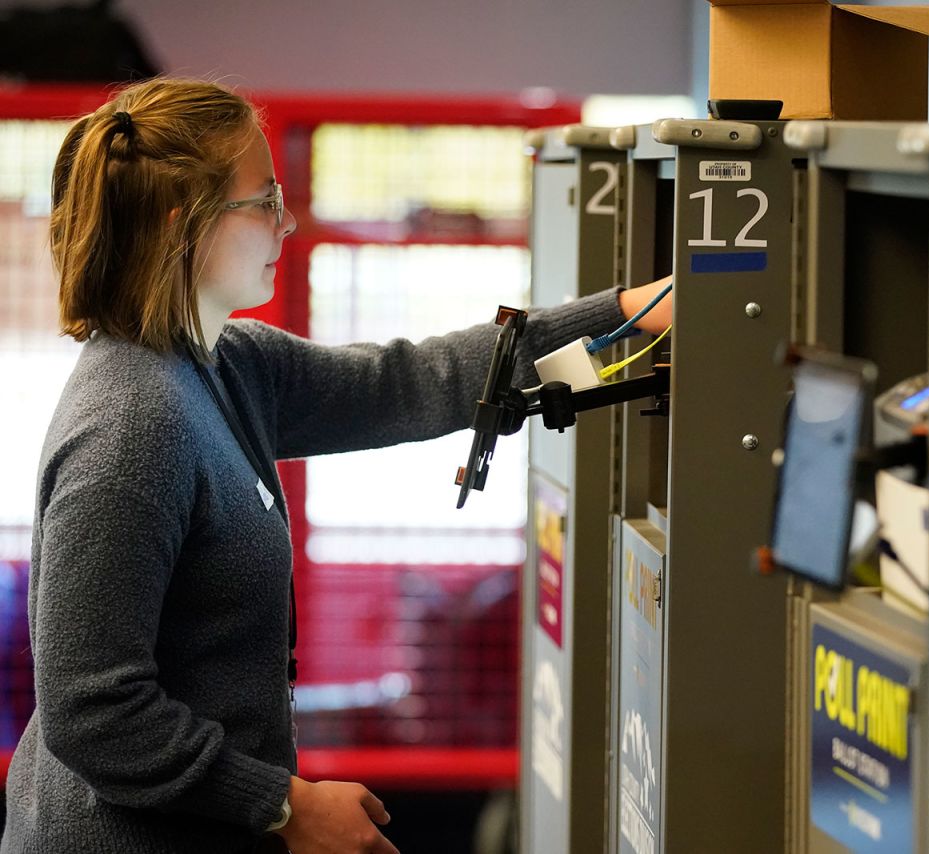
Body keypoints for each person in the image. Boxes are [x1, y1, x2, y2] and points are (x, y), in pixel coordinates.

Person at [1, 77, 671, 854]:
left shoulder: (226, 365)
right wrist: (284, 805)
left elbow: (412, 379)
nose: (286, 222)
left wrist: (632, 315)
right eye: (263, 201)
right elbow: (96, 714)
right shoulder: (129, 430)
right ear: (184, 226)